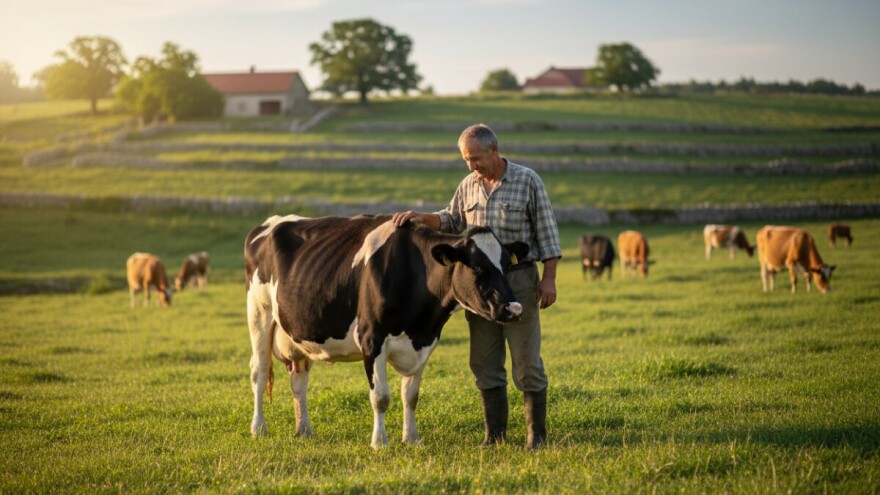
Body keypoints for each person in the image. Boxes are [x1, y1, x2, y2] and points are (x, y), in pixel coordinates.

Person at [392, 123, 562, 450]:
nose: (471, 166)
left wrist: (549, 278)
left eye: (475, 158)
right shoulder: (469, 184)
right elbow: (451, 219)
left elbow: (548, 234)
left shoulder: (528, 180)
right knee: (484, 362)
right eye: (466, 160)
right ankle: (494, 436)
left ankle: (536, 437)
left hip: (518, 279)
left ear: (494, 150)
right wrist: (420, 217)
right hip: (479, 285)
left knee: (526, 362)